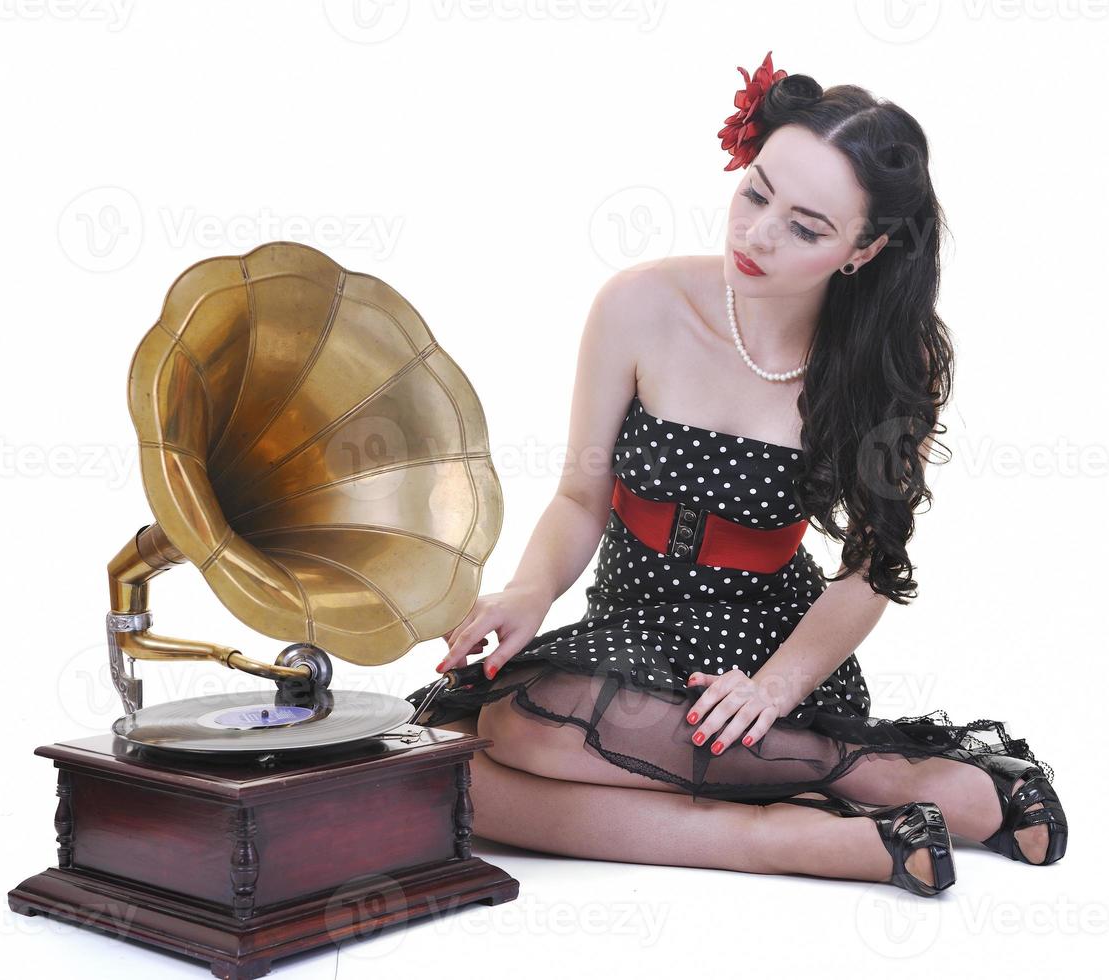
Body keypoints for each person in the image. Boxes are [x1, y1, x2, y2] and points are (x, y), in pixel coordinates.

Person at [403, 52, 1067, 897]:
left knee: (531, 735)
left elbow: (870, 570)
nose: (755, 236)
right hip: (631, 616)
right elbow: (581, 494)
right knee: (457, 777)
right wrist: (528, 594)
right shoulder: (638, 304)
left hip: (762, 639)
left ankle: (877, 782)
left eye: (806, 227)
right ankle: (848, 818)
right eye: (755, 194)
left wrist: (772, 688)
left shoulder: (893, 362)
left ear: (863, 249)